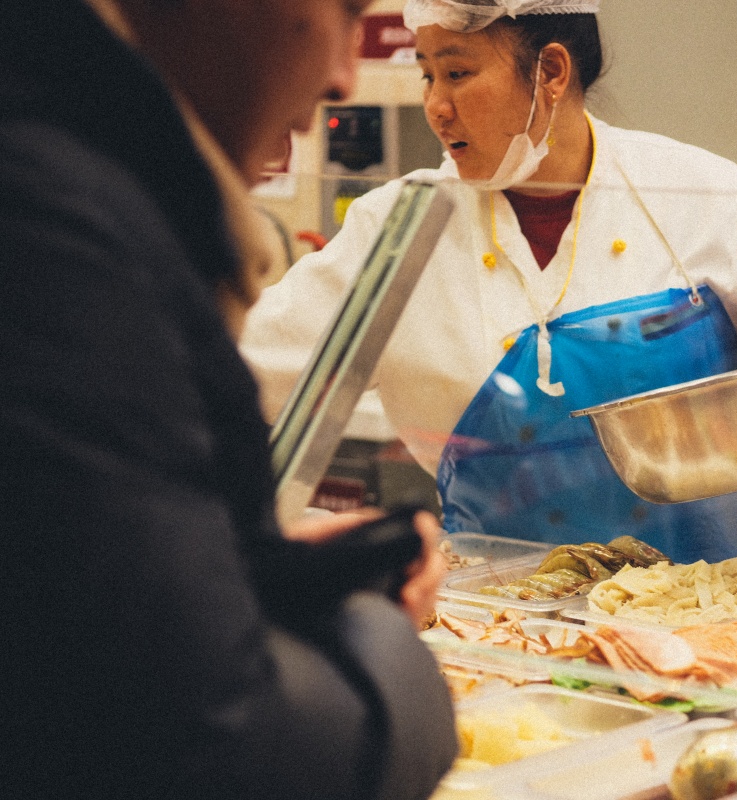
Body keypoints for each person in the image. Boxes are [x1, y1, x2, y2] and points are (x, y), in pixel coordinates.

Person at [0, 1, 457, 799]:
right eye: (346, 12)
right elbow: (212, 746)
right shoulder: (58, 228)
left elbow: (63, 608)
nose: (346, 72)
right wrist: (393, 652)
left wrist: (246, 570)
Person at [241, 0, 737, 566]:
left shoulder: (703, 192)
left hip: (705, 606)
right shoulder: (397, 228)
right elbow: (237, 370)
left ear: (551, 72)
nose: (435, 105)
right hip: (504, 612)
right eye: (427, 75)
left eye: (457, 73)